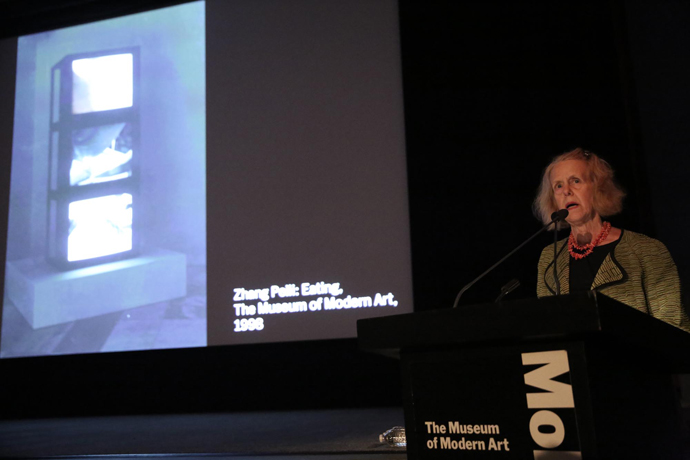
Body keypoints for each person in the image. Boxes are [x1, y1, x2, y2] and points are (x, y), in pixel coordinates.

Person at [533, 147, 690, 333]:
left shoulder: (645, 249)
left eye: (575, 181)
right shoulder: (549, 257)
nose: (566, 191)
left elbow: (673, 326)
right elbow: (547, 327)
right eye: (558, 186)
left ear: (598, 187)